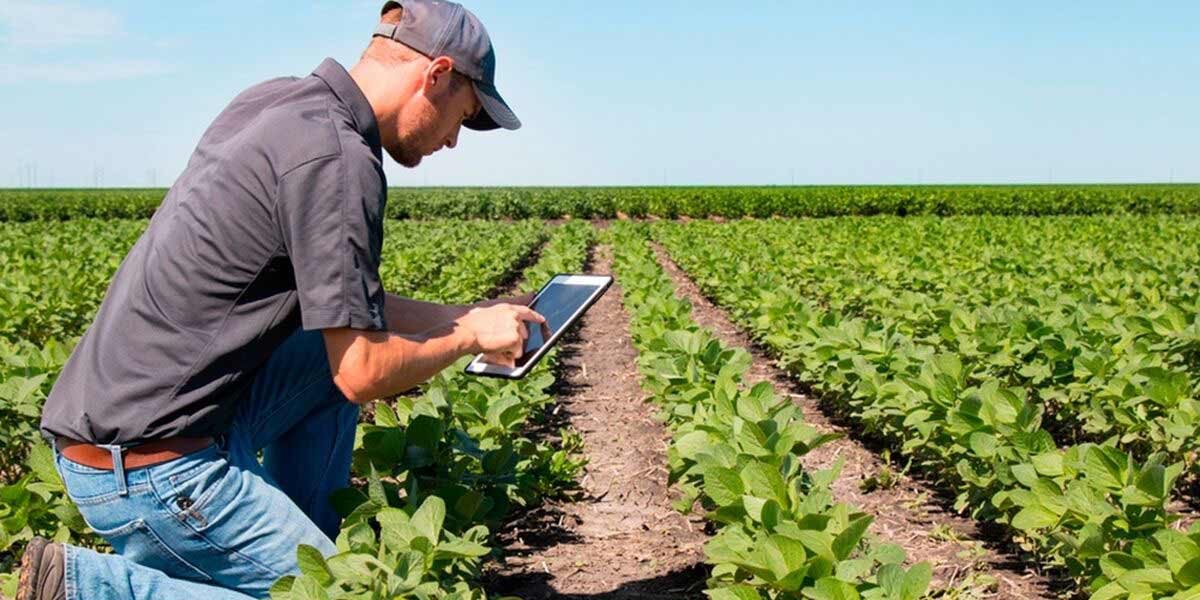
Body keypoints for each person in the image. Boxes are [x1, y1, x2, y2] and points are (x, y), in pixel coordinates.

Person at [16, 1, 541, 598]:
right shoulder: (341, 161)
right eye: (462, 116)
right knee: (348, 595)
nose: (453, 142)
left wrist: (468, 315)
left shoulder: (278, 102)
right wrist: (470, 339)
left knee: (323, 351)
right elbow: (363, 371)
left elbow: (347, 309)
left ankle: (302, 546)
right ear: (437, 74)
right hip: (152, 468)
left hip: (130, 428)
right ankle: (89, 589)